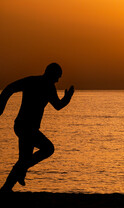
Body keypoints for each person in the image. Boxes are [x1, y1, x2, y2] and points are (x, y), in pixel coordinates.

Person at [0, 63, 74, 192]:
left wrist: (67, 98)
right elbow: (58, 105)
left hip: (23, 126)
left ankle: (7, 187)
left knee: (24, 159)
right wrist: (67, 99)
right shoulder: (45, 85)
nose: (57, 80)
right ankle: (19, 173)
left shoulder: (34, 82)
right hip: (26, 127)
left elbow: (9, 88)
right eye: (57, 77)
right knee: (48, 149)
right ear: (52, 74)